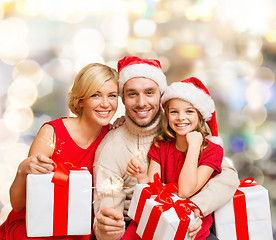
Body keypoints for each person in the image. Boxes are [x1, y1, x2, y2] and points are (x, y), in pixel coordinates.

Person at [93, 56, 240, 240]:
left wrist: (192, 210)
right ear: (123, 98)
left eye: (149, 92)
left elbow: (227, 176)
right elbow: (111, 212)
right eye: (132, 94)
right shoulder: (113, 146)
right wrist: (107, 228)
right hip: (141, 224)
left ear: (161, 95)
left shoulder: (179, 126)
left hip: (192, 222)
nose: (141, 102)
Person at [0, 63, 119, 240]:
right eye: (96, 95)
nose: (105, 103)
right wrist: (22, 170)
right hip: (34, 230)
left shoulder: (114, 137)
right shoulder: (52, 133)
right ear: (80, 100)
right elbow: (18, 205)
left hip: (77, 231)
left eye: (112, 95)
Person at [127, 77, 224, 239]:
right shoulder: (160, 145)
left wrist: (193, 147)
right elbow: (152, 193)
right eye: (174, 112)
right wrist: (142, 176)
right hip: (163, 222)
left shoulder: (213, 151)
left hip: (193, 229)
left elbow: (185, 190)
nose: (180, 117)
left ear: (200, 115)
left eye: (189, 111)